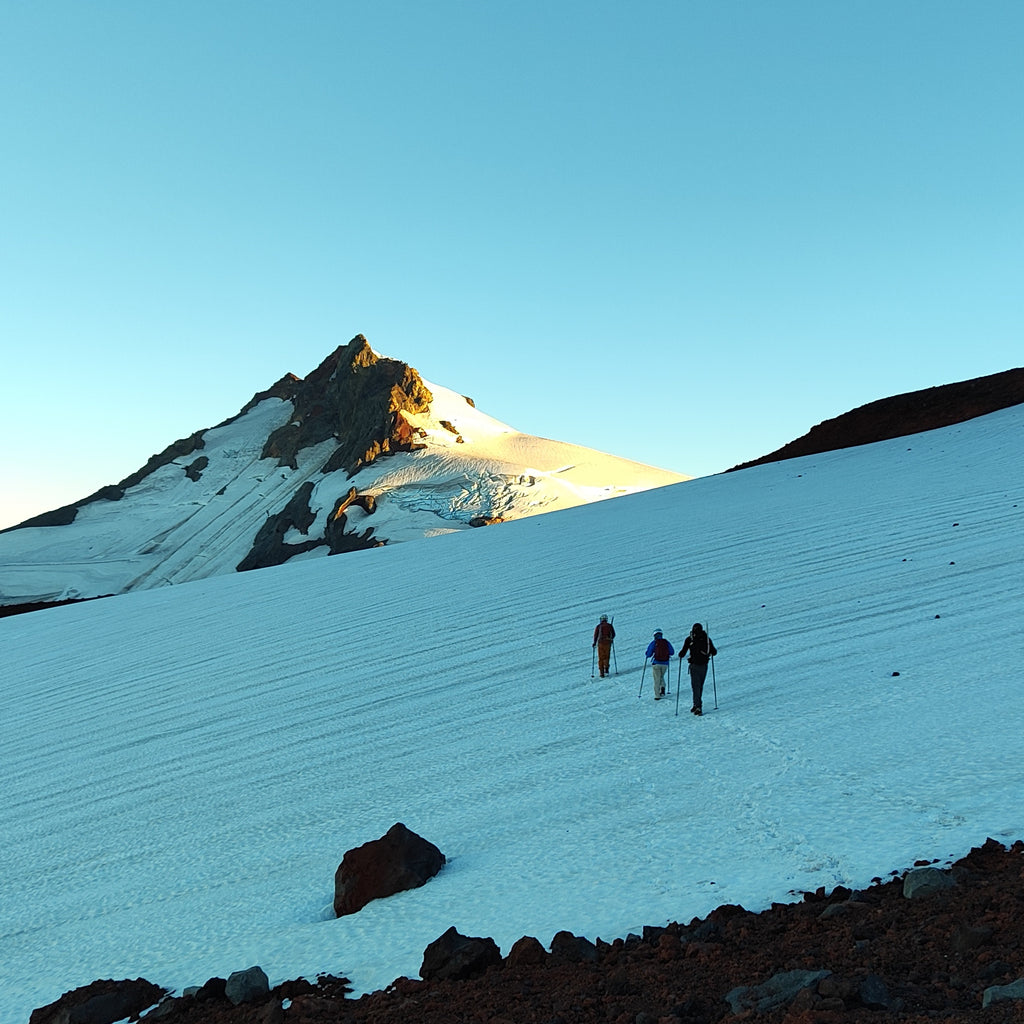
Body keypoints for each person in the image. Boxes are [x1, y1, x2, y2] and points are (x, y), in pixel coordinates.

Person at [679, 622, 717, 715]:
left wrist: (681, 655)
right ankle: (696, 704)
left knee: (695, 685)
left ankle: (698, 706)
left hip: (694, 665)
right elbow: (714, 652)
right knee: (700, 685)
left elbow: (682, 653)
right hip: (704, 665)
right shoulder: (707, 639)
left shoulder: (690, 639)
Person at [644, 630, 674, 700]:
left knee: (657, 679)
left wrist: (647, 654)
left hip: (656, 663)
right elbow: (672, 652)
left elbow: (648, 654)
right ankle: (662, 687)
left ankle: (657, 695)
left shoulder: (654, 643)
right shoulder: (666, 642)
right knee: (661, 676)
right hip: (665, 663)